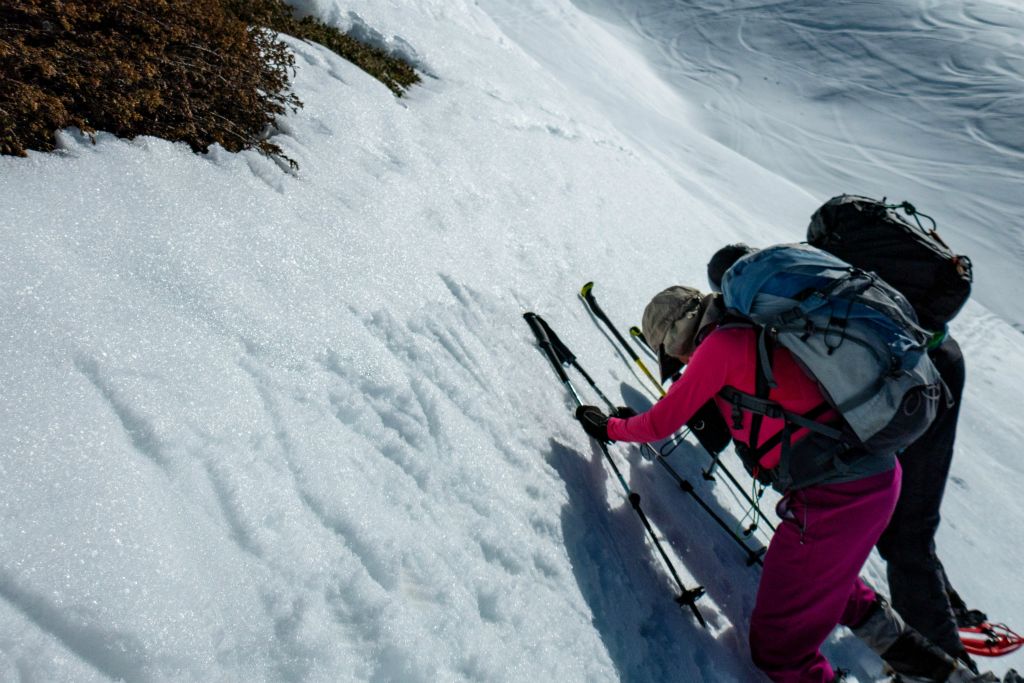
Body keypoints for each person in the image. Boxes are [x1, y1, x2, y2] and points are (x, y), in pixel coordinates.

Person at [574, 285, 1003, 683]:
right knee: (839, 591)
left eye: (674, 357)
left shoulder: (719, 347)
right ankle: (948, 677)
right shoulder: (750, 332)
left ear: (676, 338)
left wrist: (612, 427)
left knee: (777, 646)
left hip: (839, 498)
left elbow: (662, 421)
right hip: (871, 481)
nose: (681, 366)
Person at [708, 244, 982, 669]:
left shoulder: (771, 320)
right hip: (928, 372)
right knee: (910, 529)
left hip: (900, 400)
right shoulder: (805, 284)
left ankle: (950, 659)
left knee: (905, 540)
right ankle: (944, 655)